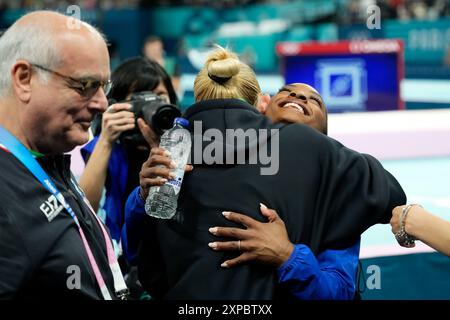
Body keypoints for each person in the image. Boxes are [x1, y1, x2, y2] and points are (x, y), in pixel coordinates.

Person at [128, 47, 406, 300]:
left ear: (325, 142)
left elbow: (338, 293)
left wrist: (289, 257)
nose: (299, 96)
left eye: (315, 101)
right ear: (261, 107)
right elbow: (143, 253)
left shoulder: (336, 191)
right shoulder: (184, 156)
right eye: (288, 92)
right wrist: (143, 196)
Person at [0, 11, 127, 299]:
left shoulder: (50, 159)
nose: (102, 104)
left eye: (103, 87)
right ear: (24, 79)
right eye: (85, 85)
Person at [79, 57, 179, 249]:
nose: (154, 105)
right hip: (120, 255)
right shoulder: (109, 148)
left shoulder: (182, 144)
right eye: (140, 98)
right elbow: (85, 210)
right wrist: (106, 139)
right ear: (116, 104)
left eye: (160, 97)